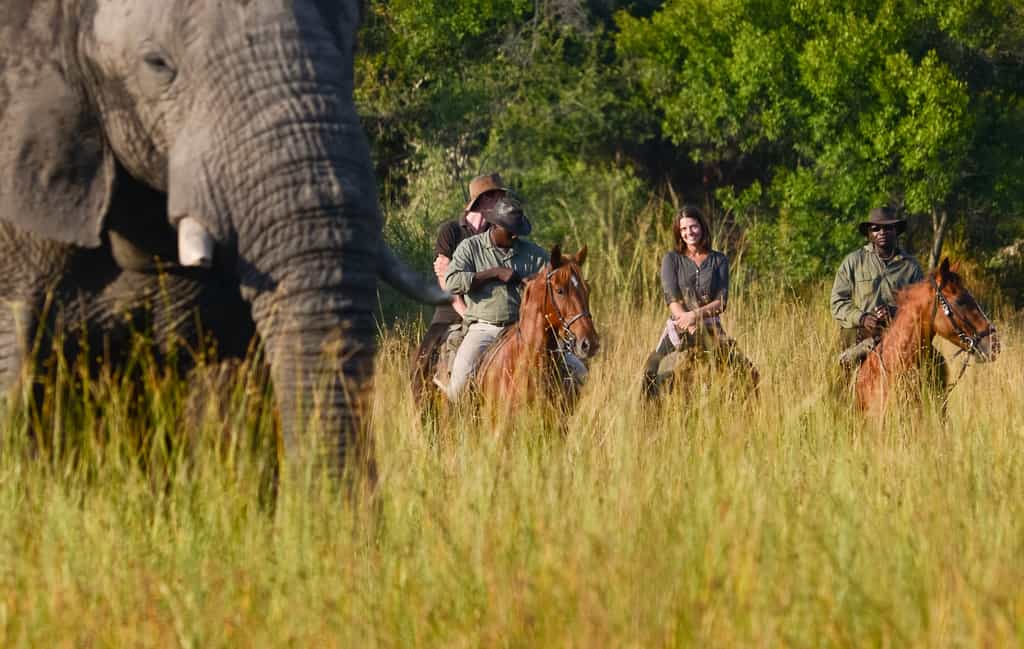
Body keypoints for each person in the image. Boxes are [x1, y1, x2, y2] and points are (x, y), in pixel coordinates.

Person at [440, 196, 550, 401]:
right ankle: (459, 417)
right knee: (458, 387)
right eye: (511, 231)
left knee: (574, 371)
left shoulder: (534, 254)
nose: (515, 236)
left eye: (518, 231)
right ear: (495, 226)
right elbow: (452, 282)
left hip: (522, 328)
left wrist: (536, 283)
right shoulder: (470, 247)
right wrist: (494, 273)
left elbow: (554, 282)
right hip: (484, 328)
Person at [641, 205, 757, 399]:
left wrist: (695, 316)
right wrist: (688, 323)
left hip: (711, 327)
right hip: (679, 327)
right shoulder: (671, 259)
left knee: (747, 372)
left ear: (702, 227)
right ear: (679, 232)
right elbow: (671, 297)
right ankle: (648, 411)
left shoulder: (719, 260)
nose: (689, 232)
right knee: (650, 370)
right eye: (684, 229)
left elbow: (721, 301)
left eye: (693, 226)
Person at [410, 173, 506, 404]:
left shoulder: (497, 232)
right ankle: (423, 415)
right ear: (482, 200)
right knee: (420, 364)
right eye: (496, 197)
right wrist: (465, 312)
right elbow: (444, 277)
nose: (501, 202)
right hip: (450, 311)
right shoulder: (451, 231)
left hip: (486, 308)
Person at [830, 207, 924, 370]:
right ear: (869, 234)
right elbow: (837, 302)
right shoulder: (853, 261)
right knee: (838, 368)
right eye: (876, 229)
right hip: (860, 332)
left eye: (888, 228)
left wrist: (895, 312)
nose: (882, 232)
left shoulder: (911, 266)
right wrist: (862, 318)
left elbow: (921, 305)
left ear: (896, 231)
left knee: (932, 364)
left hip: (898, 331)